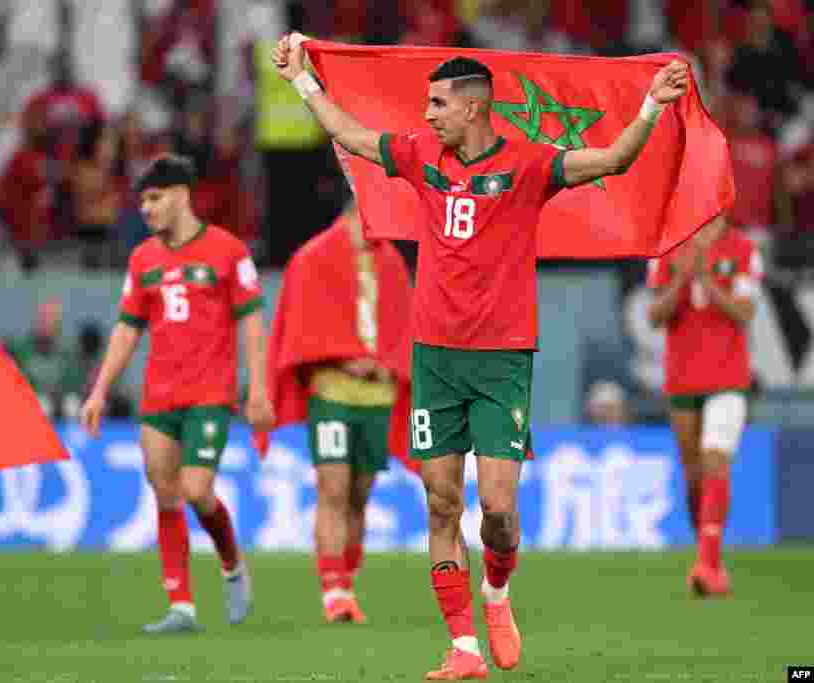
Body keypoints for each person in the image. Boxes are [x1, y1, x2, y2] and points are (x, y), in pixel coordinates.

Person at [271, 34, 689, 679]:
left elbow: (611, 161)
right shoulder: (418, 155)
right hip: (435, 357)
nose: (428, 114)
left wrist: (651, 108)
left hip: (501, 359)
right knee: (442, 504)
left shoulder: (528, 165)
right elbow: (351, 136)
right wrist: (304, 81)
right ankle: (463, 646)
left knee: (497, 509)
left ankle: (497, 591)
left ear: (473, 108)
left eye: (438, 103)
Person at [80, 154, 275, 633]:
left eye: (154, 198)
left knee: (196, 490)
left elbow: (251, 322)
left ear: (182, 195)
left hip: (210, 393)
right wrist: (99, 391)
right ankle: (181, 606)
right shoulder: (143, 259)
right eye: (142, 200)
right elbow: (127, 329)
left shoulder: (228, 251)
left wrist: (259, 388)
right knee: (165, 493)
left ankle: (231, 564)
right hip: (159, 397)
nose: (146, 209)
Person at [260, 199, 412, 624]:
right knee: (333, 488)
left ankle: (347, 580)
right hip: (331, 394)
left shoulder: (391, 262)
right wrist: (344, 358)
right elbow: (303, 327)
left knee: (360, 497)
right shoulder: (313, 258)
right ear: (352, 215)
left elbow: (405, 324)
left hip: (377, 399)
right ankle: (333, 592)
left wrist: (389, 364)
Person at [647, 213, 761, 597]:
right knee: (695, 475)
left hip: (729, 377)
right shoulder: (667, 249)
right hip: (682, 377)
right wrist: (682, 277)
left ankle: (709, 567)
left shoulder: (743, 249)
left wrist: (705, 277)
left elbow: (745, 312)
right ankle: (707, 557)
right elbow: (654, 316)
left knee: (714, 459)